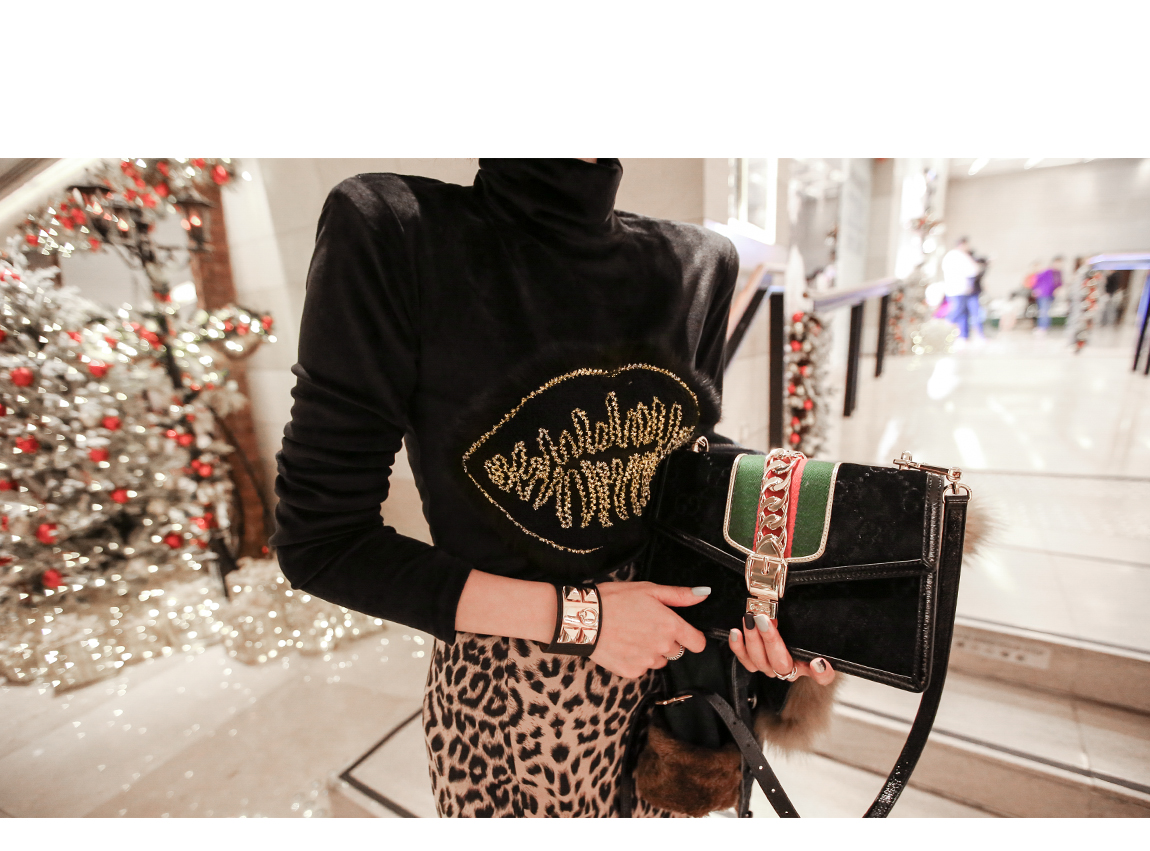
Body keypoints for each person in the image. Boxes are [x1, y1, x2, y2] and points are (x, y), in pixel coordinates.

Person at [270, 159, 836, 818]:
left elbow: (682, 481)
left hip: (677, 679)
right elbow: (322, 542)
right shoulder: (397, 228)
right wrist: (585, 619)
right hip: (516, 710)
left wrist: (779, 608)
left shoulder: (701, 262)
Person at [941, 236, 981, 341]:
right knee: (958, 310)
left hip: (954, 289)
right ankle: (943, 327)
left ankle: (963, 336)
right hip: (960, 289)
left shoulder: (950, 255)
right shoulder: (960, 256)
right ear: (962, 244)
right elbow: (973, 270)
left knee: (963, 314)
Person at [1033, 256, 1064, 332]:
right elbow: (1037, 279)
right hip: (1043, 294)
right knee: (1044, 310)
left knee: (1047, 310)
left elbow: (1059, 283)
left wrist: (1058, 289)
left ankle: (1046, 326)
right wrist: (1036, 289)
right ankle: (1042, 327)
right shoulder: (1047, 271)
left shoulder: (1059, 273)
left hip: (1051, 294)